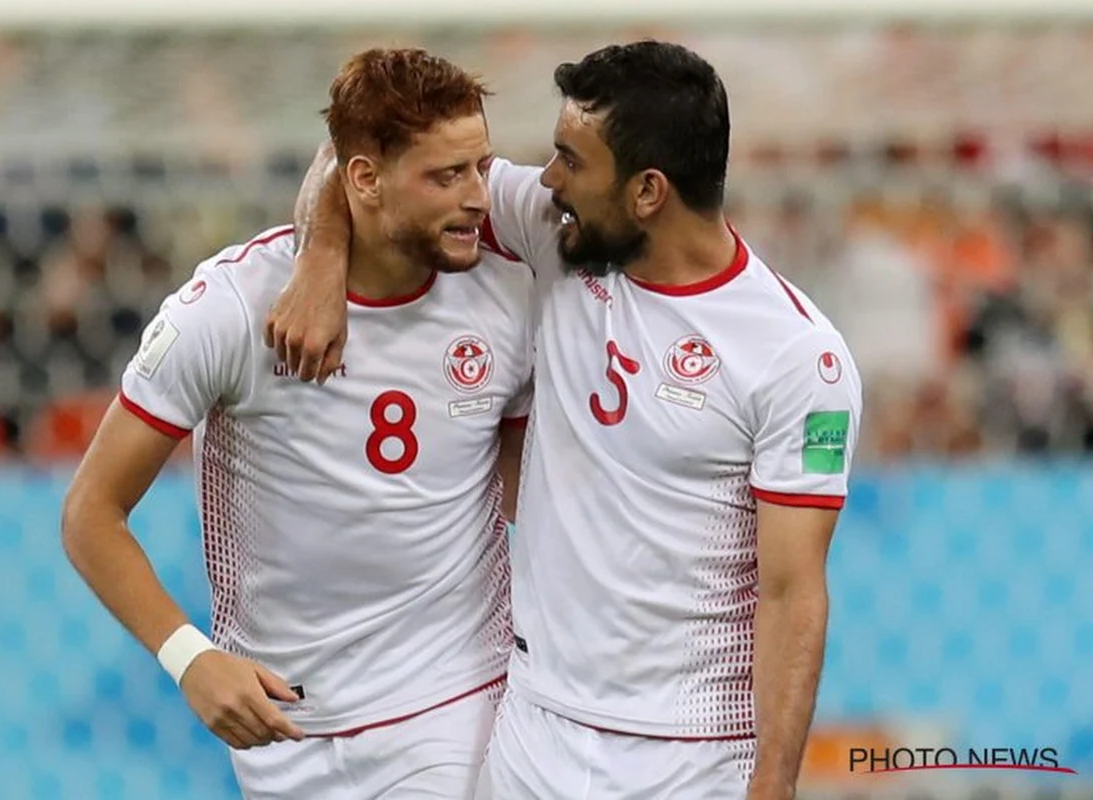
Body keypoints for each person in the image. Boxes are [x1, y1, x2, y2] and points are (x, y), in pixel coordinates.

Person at [270, 41, 863, 800]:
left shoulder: (795, 357)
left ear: (648, 192)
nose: (545, 179)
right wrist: (322, 256)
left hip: (688, 756)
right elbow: (361, 160)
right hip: (533, 735)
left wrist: (772, 786)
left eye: (571, 161)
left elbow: (793, 593)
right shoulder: (558, 236)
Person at [62, 48, 534, 799]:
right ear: (365, 181)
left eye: (481, 166)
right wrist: (189, 657)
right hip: (287, 726)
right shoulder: (230, 310)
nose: (481, 196)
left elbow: (525, 493)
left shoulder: (511, 297)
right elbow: (90, 512)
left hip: (456, 701)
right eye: (447, 176)